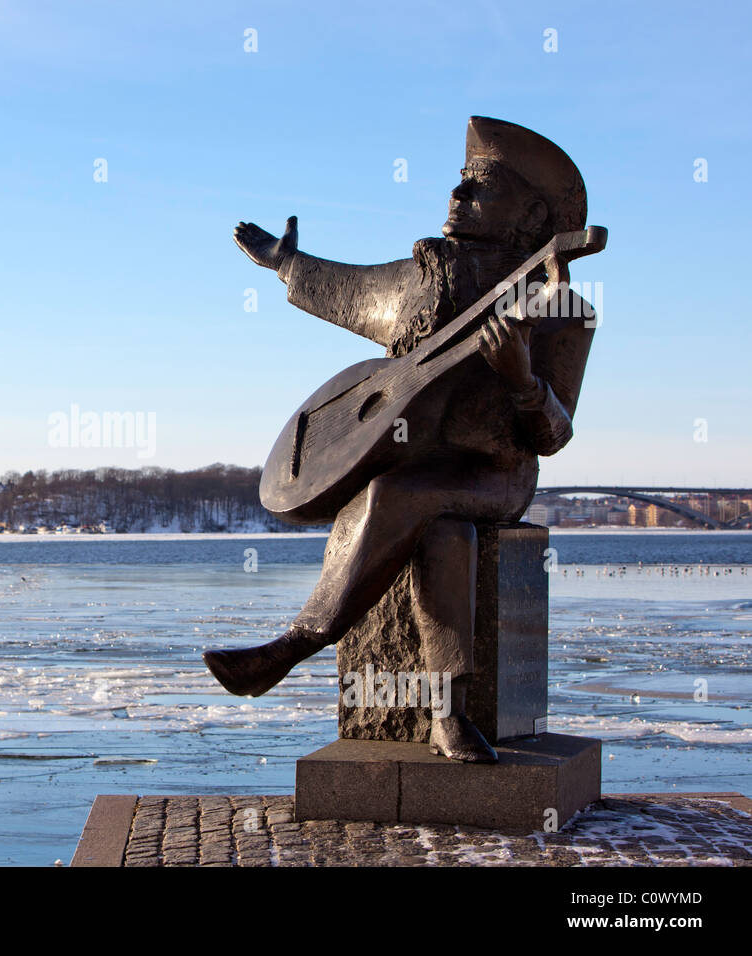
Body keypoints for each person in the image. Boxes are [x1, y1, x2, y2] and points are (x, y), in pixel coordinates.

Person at [203, 117, 595, 762]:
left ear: (530, 216)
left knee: (399, 493)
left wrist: (523, 382)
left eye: (478, 188)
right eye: (459, 184)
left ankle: (295, 643)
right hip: (412, 465)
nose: (456, 197)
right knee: (441, 529)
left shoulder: (560, 310)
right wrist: (287, 263)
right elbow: (348, 289)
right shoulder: (420, 284)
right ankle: (447, 714)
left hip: (494, 473)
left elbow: (552, 435)